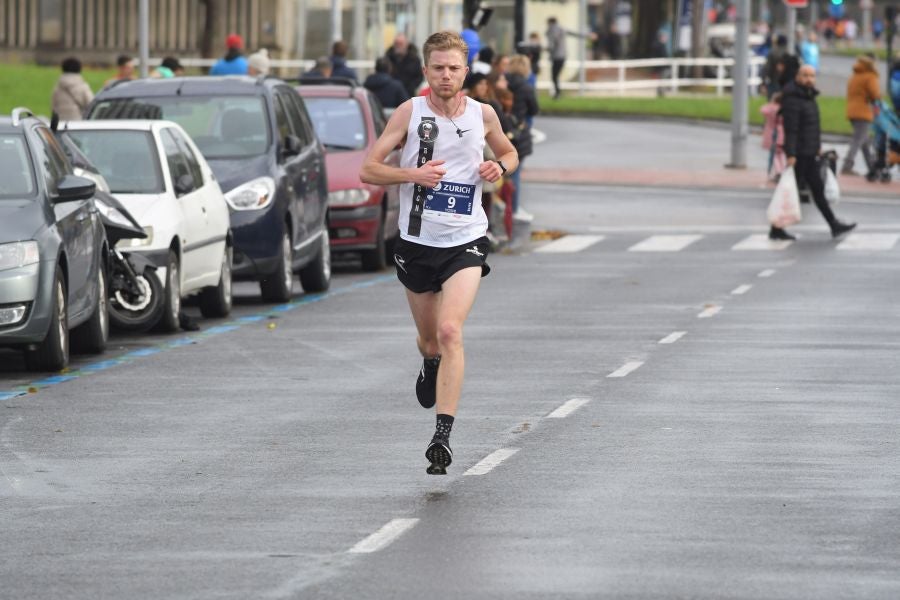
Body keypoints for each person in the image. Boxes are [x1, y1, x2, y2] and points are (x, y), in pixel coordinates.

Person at [359, 31, 518, 475]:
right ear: (426, 71)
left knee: (451, 331)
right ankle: (429, 362)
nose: (446, 75)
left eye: (454, 68)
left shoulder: (483, 114)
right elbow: (369, 169)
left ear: (465, 72)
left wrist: (498, 166)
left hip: (466, 238)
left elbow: (509, 152)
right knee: (430, 340)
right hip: (416, 241)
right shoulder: (411, 112)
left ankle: (442, 435)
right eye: (438, 68)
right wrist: (414, 174)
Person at [772, 65, 856, 241]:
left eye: (811, 75)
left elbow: (812, 126)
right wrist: (791, 154)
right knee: (790, 190)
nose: (809, 79)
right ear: (797, 77)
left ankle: (834, 224)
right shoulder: (794, 99)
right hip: (799, 154)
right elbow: (791, 129)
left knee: (817, 189)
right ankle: (776, 228)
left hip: (809, 152)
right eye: (805, 75)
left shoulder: (808, 96)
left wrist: (817, 146)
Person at [505, 54, 539, 221]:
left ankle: (502, 206)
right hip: (519, 133)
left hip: (503, 129)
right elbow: (534, 109)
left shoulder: (504, 83)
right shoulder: (526, 87)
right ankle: (514, 209)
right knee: (515, 174)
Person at [841, 53, 881, 176]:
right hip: (863, 111)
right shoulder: (870, 77)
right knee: (858, 140)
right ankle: (847, 165)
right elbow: (875, 94)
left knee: (864, 141)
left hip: (852, 110)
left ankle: (872, 166)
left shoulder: (855, 76)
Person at [760, 92, 786, 181]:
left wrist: (771, 103)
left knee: (774, 155)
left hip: (773, 134)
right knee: (781, 154)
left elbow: (763, 109)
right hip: (783, 134)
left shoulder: (771, 108)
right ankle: (783, 170)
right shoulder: (784, 109)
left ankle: (777, 171)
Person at [546, 17, 567, 99]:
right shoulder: (562, 29)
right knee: (555, 76)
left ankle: (557, 93)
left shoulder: (552, 30)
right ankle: (557, 93)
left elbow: (552, 44)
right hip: (563, 56)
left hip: (556, 57)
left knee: (554, 76)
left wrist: (545, 49)